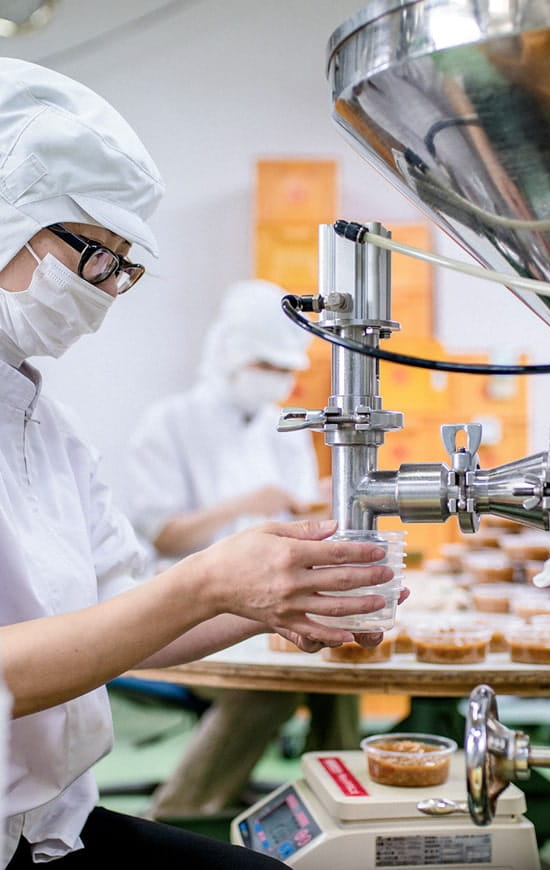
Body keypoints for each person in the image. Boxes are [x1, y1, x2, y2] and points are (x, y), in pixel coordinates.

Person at [0, 57, 402, 869]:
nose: (104, 288)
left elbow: (120, 612)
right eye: (92, 254)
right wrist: (208, 579)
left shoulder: (40, 421)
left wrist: (274, 596)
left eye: (121, 267)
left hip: (47, 823)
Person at [123, 278, 361, 818]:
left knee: (339, 668)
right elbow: (164, 536)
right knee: (273, 685)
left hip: (274, 601)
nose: (275, 379)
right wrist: (243, 503)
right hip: (189, 610)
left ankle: (342, 809)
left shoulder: (287, 427)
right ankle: (184, 814)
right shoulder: (171, 422)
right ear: (229, 353)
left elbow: (302, 516)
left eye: (284, 369)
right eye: (265, 365)